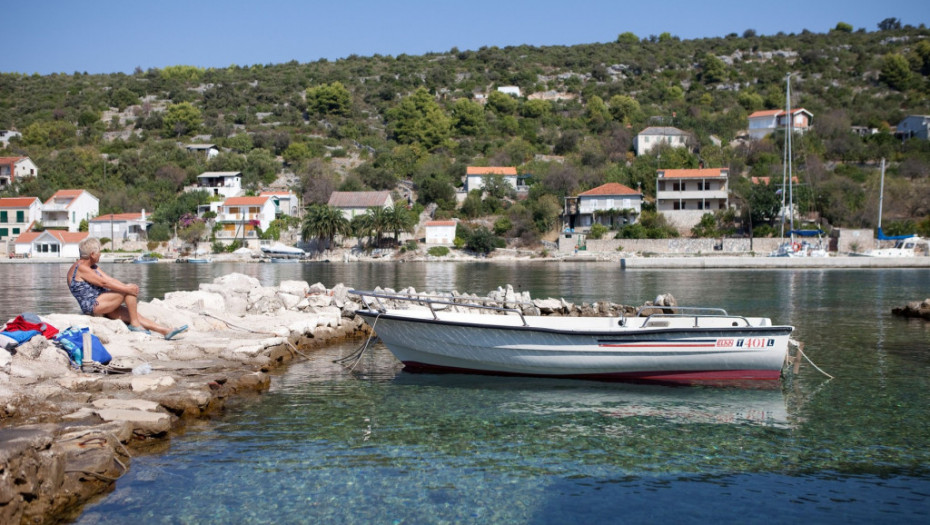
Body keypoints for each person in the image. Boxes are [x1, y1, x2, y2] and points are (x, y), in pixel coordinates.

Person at [67, 237, 188, 340]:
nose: (100, 254)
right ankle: (135, 325)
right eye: (99, 252)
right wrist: (127, 289)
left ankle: (165, 331)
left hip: (103, 301)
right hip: (93, 306)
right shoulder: (81, 267)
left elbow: (110, 280)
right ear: (92, 254)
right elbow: (103, 283)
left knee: (133, 313)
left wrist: (126, 287)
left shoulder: (92, 266)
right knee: (126, 292)